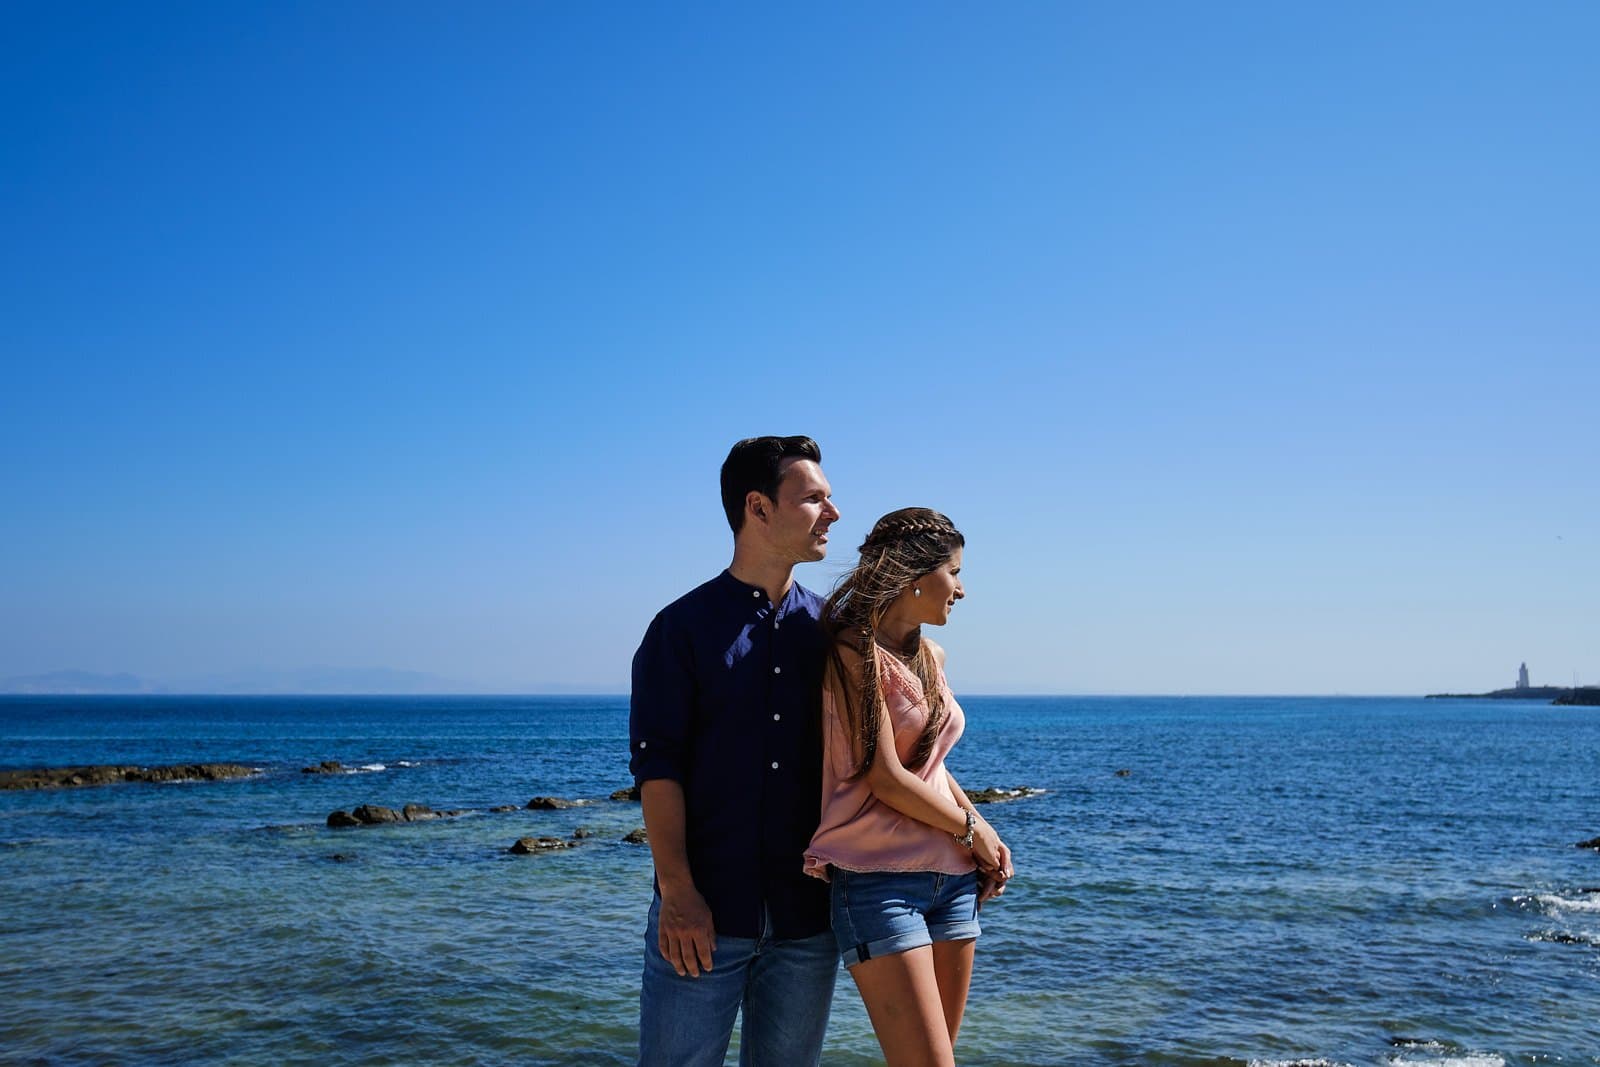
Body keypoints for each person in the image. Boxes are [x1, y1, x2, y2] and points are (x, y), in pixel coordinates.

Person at [629, 435, 843, 1067]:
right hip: (702, 920)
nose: (832, 513)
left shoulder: (831, 633)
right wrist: (679, 893)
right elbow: (658, 768)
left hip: (808, 924)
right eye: (814, 498)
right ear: (758, 507)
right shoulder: (680, 629)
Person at [803, 507, 1014, 1067]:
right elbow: (885, 776)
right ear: (915, 576)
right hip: (879, 884)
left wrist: (979, 835)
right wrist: (972, 827)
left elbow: (932, 768)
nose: (962, 590)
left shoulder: (931, 658)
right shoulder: (853, 654)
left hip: (954, 882)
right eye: (955, 572)